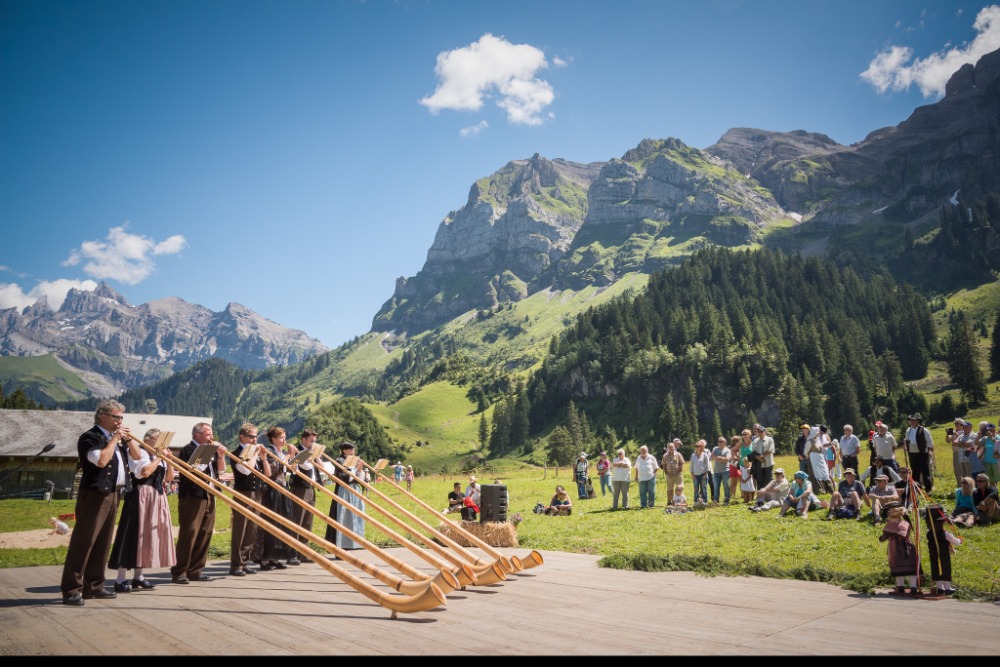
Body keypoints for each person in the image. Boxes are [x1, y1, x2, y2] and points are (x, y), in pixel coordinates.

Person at [60, 399, 134, 605]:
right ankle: (72, 588)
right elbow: (100, 461)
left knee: (103, 541)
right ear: (102, 416)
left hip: (113, 493)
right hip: (94, 495)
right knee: (84, 541)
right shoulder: (90, 437)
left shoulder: (116, 438)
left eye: (121, 417)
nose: (120, 421)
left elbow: (134, 458)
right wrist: (114, 440)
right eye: (116, 417)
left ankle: (94, 585)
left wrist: (126, 440)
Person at [108, 427, 176, 592]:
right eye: (158, 440)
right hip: (141, 496)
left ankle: (139, 577)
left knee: (146, 537)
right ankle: (120, 579)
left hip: (157, 496)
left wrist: (169, 461)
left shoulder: (155, 456)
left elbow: (169, 478)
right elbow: (144, 472)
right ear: (148, 440)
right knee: (132, 534)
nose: (161, 444)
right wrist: (158, 458)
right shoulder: (139, 453)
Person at [171, 421, 226, 585]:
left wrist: (221, 455)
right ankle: (180, 571)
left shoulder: (210, 450)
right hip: (192, 496)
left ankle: (196, 570)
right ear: (198, 435)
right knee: (189, 533)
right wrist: (211, 450)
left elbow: (221, 470)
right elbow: (195, 469)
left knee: (205, 533)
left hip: (209, 494)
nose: (212, 437)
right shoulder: (188, 449)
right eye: (208, 434)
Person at [251, 426, 298, 570]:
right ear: (273, 439)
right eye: (281, 438)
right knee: (270, 523)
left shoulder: (281, 452)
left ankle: (275, 556)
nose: (284, 440)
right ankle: (264, 557)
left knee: (282, 523)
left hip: (282, 488)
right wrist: (289, 456)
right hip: (271, 490)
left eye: (284, 437)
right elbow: (272, 471)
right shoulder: (269, 452)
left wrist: (294, 458)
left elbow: (290, 470)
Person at [229, 422, 268, 576]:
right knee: (240, 529)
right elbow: (246, 470)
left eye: (255, 436)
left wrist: (263, 458)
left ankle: (245, 562)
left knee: (251, 529)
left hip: (256, 494)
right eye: (251, 436)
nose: (254, 439)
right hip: (242, 493)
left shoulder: (255, 454)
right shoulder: (236, 453)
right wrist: (256, 454)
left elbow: (266, 474)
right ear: (242, 437)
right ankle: (236, 564)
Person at [287, 428, 323, 561]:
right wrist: (308, 454)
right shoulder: (297, 450)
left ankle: (304, 551)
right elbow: (300, 467)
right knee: (297, 519)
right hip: (299, 488)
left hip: (311, 487)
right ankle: (293, 552)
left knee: (307, 521)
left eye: (314, 441)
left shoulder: (311, 452)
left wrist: (317, 455)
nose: (313, 443)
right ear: (303, 440)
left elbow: (322, 467)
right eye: (310, 441)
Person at [324, 441, 366, 550]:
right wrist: (355, 469)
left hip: (354, 491)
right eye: (350, 450)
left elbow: (359, 480)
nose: (353, 452)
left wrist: (360, 470)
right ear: (344, 451)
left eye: (353, 450)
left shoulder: (353, 461)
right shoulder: (340, 461)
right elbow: (345, 478)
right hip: (344, 491)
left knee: (353, 518)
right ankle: (340, 546)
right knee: (342, 517)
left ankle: (351, 544)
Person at [880, 505, 923, 596]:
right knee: (911, 568)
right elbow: (907, 534)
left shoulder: (889, 525)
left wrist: (881, 537)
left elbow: (883, 537)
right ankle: (913, 587)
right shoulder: (906, 523)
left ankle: (900, 587)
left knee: (897, 567)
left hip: (895, 548)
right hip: (908, 547)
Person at [924, 503, 960, 596]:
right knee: (946, 569)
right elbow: (955, 541)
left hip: (933, 555)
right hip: (944, 555)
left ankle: (940, 588)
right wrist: (959, 540)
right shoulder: (945, 534)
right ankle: (947, 588)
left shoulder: (929, 533)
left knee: (935, 568)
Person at [903, 413, 934, 492]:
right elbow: (906, 440)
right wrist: (906, 448)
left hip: (922, 453)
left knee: (925, 471)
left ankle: (928, 488)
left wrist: (930, 452)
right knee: (915, 471)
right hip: (912, 453)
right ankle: (916, 488)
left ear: (918, 421)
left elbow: (930, 442)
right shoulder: (908, 430)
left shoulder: (924, 430)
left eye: (914, 421)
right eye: (911, 421)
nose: (912, 422)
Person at [948, 419, 975, 486]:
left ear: (971, 428)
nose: (964, 428)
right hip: (961, 458)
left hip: (969, 459)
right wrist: (963, 444)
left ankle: (971, 492)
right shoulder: (962, 435)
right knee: (964, 477)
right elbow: (954, 443)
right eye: (964, 427)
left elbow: (968, 444)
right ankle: (965, 490)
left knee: (970, 476)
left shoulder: (973, 435)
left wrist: (960, 444)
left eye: (966, 427)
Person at [750, 424, 775, 489]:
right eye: (759, 431)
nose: (760, 433)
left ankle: (769, 498)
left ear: (765, 432)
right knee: (759, 481)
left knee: (768, 481)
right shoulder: (755, 441)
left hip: (768, 463)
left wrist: (761, 456)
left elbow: (770, 450)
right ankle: (760, 497)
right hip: (759, 464)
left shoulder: (770, 439)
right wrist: (758, 458)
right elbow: (753, 452)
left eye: (762, 431)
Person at [660, 440, 685, 504]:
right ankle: (669, 501)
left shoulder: (678, 454)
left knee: (680, 487)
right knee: (670, 489)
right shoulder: (665, 456)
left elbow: (682, 463)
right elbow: (664, 465)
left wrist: (680, 471)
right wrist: (666, 473)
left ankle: (681, 501)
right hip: (669, 475)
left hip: (677, 474)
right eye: (670, 447)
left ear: (674, 447)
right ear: (668, 448)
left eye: (673, 447)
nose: (672, 448)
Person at [689, 439, 711, 506]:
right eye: (697, 446)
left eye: (699, 446)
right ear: (695, 447)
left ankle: (705, 501)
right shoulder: (693, 456)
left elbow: (708, 465)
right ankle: (696, 501)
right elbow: (691, 466)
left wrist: (706, 474)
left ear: (701, 447)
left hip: (703, 474)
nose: (698, 448)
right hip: (695, 475)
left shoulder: (705, 455)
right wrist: (692, 475)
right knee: (696, 488)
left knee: (704, 488)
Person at [710, 437, 731, 505]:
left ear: (725, 442)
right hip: (716, 471)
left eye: (722, 441)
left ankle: (726, 499)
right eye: (719, 441)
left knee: (726, 486)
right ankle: (716, 500)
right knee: (716, 487)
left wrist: (718, 458)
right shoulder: (715, 449)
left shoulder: (727, 450)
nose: (720, 443)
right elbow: (712, 456)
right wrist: (721, 458)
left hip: (725, 471)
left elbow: (727, 459)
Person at [727, 436, 742, 503]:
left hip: (737, 466)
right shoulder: (733, 449)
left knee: (736, 482)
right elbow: (733, 458)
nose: (739, 442)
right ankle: (730, 495)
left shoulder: (739, 449)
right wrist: (740, 458)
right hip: (733, 466)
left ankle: (733, 495)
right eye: (738, 441)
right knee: (733, 481)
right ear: (735, 442)